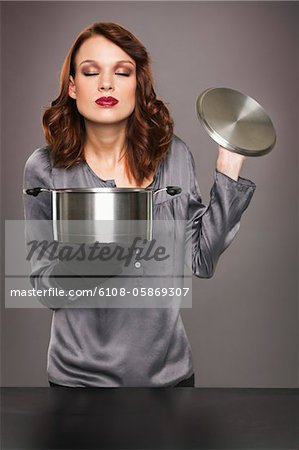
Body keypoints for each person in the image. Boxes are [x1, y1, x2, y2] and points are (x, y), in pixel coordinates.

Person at [23, 22, 256, 388]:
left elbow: (202, 260)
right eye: (90, 72)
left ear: (137, 84)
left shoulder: (174, 155)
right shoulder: (43, 168)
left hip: (169, 379)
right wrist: (103, 255)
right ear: (72, 86)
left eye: (122, 71)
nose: (106, 84)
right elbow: (44, 288)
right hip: (76, 383)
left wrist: (231, 160)